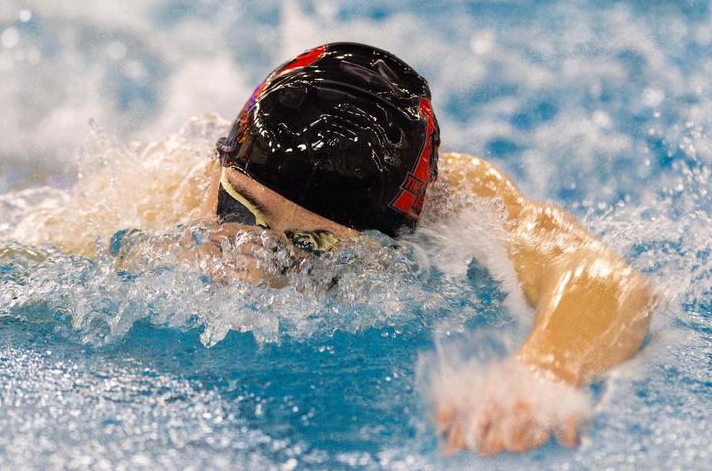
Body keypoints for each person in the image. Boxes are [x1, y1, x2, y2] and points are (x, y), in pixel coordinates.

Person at [122, 42, 655, 455]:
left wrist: (546, 369)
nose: (252, 255)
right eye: (239, 207)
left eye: (311, 244)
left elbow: (604, 276)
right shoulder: (164, 185)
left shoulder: (459, 203)